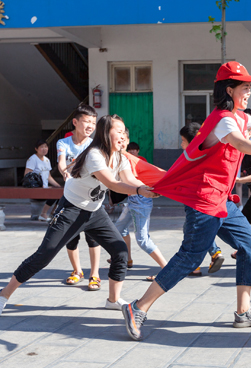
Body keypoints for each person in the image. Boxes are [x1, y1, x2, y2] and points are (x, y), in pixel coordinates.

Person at [121, 61, 251, 340]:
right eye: (245, 87)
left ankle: (243, 312)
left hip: (223, 201)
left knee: (250, 246)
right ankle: (138, 307)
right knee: (190, 256)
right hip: (204, 199)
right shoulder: (222, 120)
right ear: (230, 90)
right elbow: (240, 143)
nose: (249, 92)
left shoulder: (240, 117)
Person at [0, 115, 158, 316]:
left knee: (120, 252)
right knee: (43, 257)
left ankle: (113, 300)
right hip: (71, 210)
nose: (123, 135)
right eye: (118, 131)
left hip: (95, 212)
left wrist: (147, 187)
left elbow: (129, 179)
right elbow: (112, 183)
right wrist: (139, 191)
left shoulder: (120, 157)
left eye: (124, 131)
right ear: (105, 133)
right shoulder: (94, 154)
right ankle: (3, 295)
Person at [112, 132, 169, 283]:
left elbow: (150, 175)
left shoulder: (132, 159)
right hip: (133, 199)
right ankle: (127, 260)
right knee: (118, 229)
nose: (121, 141)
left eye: (124, 139)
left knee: (143, 240)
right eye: (118, 138)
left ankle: (168, 269)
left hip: (140, 199)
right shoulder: (119, 157)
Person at [56, 104, 102, 289]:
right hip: (70, 197)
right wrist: (65, 173)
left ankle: (95, 275)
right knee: (70, 237)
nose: (90, 125)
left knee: (93, 237)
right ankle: (77, 271)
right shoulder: (63, 143)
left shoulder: (94, 145)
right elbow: (61, 162)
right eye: (86, 121)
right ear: (75, 122)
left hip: (90, 198)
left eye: (93, 122)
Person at [179, 122, 225, 274]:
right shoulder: (206, 153)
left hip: (194, 200)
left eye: (183, 141)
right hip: (206, 199)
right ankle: (215, 252)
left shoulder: (189, 157)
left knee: (192, 232)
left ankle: (194, 266)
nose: (181, 144)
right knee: (195, 229)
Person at [25, 139, 62, 221]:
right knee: (53, 195)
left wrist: (58, 186)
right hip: (36, 188)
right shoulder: (33, 159)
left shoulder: (47, 160)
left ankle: (53, 214)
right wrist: (35, 185)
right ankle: (43, 214)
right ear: (36, 149)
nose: (44, 149)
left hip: (44, 187)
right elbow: (27, 175)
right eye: (41, 147)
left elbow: (49, 177)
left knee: (61, 193)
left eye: (46, 147)